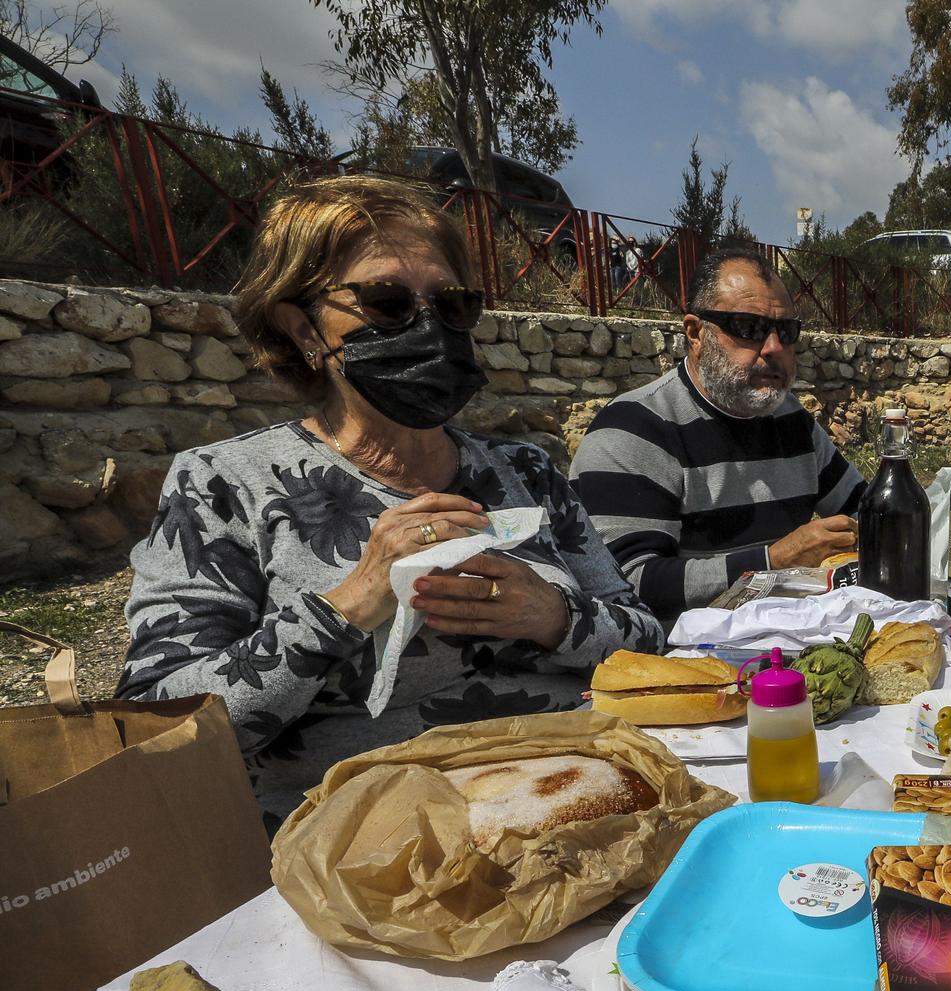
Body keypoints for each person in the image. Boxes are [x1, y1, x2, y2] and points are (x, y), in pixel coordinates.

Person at [119, 175, 668, 823]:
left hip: (583, 799)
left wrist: (550, 614)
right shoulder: (224, 485)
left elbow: (648, 645)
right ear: (302, 329)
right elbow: (157, 730)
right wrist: (351, 603)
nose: (428, 327)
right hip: (371, 844)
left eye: (452, 304)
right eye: (387, 302)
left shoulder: (525, 471)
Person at [569, 249, 865, 626]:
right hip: (680, 662)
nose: (774, 348)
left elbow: (869, 510)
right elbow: (623, 586)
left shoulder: (791, 421)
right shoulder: (634, 431)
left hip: (783, 642)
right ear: (695, 333)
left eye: (786, 332)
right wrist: (771, 562)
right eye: (748, 327)